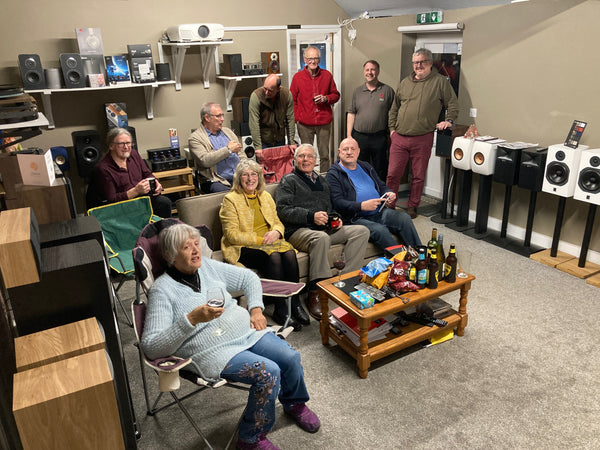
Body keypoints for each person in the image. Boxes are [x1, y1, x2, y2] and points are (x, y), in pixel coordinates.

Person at [141, 223, 320, 450]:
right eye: (186, 247)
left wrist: (255, 309)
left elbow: (249, 278)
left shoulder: (206, 266)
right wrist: (191, 320)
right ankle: (250, 438)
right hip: (212, 351)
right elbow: (151, 346)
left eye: (196, 244)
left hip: (246, 333)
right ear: (169, 255)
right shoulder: (162, 290)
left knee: (290, 357)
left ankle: (294, 403)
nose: (196, 251)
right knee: (268, 372)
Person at [275, 144, 370, 319]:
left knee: (361, 231)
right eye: (301, 156)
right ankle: (316, 290)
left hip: (323, 229)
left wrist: (336, 218)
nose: (306, 160)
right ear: (294, 160)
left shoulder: (322, 181)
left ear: (315, 161)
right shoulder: (288, 181)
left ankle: (348, 280)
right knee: (320, 238)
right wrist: (311, 217)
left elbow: (329, 208)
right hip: (298, 231)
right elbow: (283, 210)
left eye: (310, 156)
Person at [219, 160, 309, 330]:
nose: (250, 178)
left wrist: (276, 232)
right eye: (245, 174)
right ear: (238, 178)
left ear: (259, 178)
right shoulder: (230, 199)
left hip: (271, 241)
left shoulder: (265, 196)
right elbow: (231, 235)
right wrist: (261, 240)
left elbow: (277, 222)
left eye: (254, 174)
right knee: (274, 257)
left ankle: (295, 303)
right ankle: (280, 308)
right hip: (243, 247)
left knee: (289, 253)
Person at [387, 48, 459, 219]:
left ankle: (412, 206)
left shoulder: (440, 82)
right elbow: (394, 108)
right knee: (392, 174)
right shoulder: (405, 82)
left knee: (418, 176)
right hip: (399, 137)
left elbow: (453, 104)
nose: (418, 65)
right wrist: (392, 130)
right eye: (415, 62)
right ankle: (388, 204)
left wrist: (448, 121)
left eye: (422, 62)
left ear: (430, 63)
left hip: (422, 137)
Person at [326, 138, 422, 251]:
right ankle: (401, 262)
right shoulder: (333, 174)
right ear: (339, 152)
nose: (349, 152)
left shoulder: (365, 166)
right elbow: (337, 202)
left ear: (358, 151)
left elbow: (381, 186)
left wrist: (388, 192)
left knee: (404, 218)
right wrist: (361, 206)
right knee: (380, 230)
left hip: (379, 212)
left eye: (353, 149)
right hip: (355, 218)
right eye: (345, 149)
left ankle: (420, 256)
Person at [92, 127, 172, 217]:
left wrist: (156, 182)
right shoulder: (103, 168)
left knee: (164, 203)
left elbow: (147, 173)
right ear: (111, 146)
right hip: (123, 206)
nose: (126, 147)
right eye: (121, 144)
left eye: (128, 143)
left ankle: (165, 230)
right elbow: (112, 199)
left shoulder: (134, 154)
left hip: (142, 199)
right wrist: (136, 191)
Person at [290, 46, 340, 173]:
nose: (313, 61)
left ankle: (324, 178)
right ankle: (306, 178)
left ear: (319, 59)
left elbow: (336, 95)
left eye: (316, 58)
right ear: (305, 60)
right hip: (305, 124)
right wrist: (297, 118)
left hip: (324, 122)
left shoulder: (327, 75)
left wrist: (326, 98)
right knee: (306, 156)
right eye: (310, 58)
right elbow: (292, 100)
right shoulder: (297, 77)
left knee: (324, 154)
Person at [346, 60, 395, 182]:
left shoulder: (387, 91)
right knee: (359, 166)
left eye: (372, 69)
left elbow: (393, 114)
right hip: (359, 137)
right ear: (364, 72)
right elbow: (351, 113)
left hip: (379, 137)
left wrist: (392, 132)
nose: (370, 72)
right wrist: (349, 136)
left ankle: (379, 194)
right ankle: (362, 192)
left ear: (378, 71)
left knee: (380, 167)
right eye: (367, 70)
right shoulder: (358, 91)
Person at [189, 102, 246, 193]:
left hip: (240, 177)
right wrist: (228, 150)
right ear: (207, 118)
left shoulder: (228, 132)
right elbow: (205, 161)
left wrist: (247, 170)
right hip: (218, 181)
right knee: (223, 193)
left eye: (222, 115)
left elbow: (241, 154)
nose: (222, 119)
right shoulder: (195, 138)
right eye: (218, 116)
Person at [248, 74, 297, 161]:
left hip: (280, 138)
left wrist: (291, 142)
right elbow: (254, 124)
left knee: (280, 167)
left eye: (270, 90)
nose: (266, 92)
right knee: (265, 169)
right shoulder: (256, 96)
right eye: (265, 89)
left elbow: (290, 119)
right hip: (264, 140)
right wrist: (258, 147)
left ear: (278, 89)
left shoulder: (286, 95)